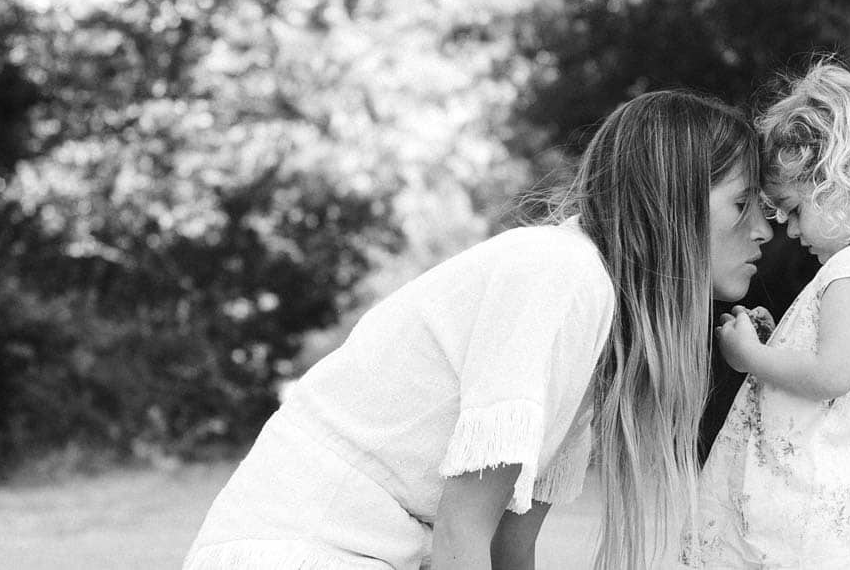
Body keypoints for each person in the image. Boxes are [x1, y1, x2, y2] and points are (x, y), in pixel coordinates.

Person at [184, 90, 774, 570]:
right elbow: (462, 531)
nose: (763, 231)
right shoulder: (559, 272)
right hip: (300, 550)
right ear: (674, 202)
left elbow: (507, 545)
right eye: (742, 204)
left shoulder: (600, 320)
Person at [681, 62, 850, 569]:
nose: (790, 231)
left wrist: (753, 357)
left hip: (818, 510)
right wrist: (777, 341)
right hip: (848, 506)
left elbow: (832, 374)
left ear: (836, 179)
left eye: (794, 209)